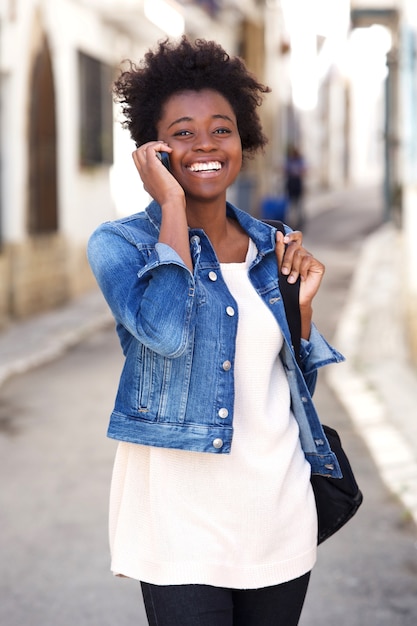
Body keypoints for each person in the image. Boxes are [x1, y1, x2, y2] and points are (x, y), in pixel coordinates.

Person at [87, 37, 344, 626]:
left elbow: (288, 384)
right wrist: (171, 208)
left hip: (277, 515)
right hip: (177, 527)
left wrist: (300, 311)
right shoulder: (119, 246)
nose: (205, 144)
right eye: (182, 132)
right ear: (152, 149)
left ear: (243, 139)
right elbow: (167, 331)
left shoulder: (272, 245)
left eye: (221, 129)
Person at [284, 145, 306, 230]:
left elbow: (303, 171)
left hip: (296, 184)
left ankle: (299, 222)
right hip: (292, 184)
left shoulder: (298, 161)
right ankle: (292, 222)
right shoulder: (290, 161)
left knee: (298, 205)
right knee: (291, 205)